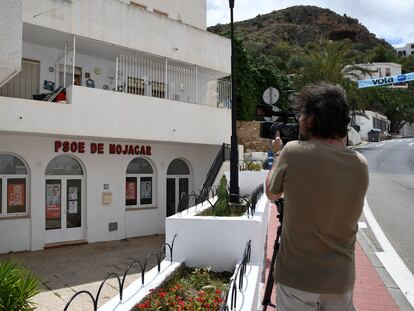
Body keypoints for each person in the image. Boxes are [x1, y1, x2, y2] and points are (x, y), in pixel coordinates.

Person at [266, 83, 369, 311]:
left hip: (297, 279)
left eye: (301, 115)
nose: (299, 120)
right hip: (340, 280)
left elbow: (272, 193)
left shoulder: (292, 152)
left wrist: (276, 154)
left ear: (312, 120)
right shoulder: (360, 165)